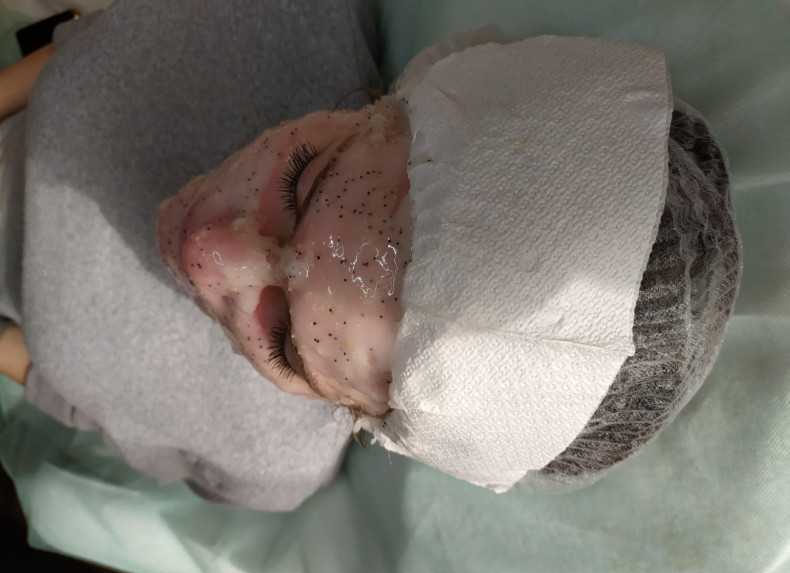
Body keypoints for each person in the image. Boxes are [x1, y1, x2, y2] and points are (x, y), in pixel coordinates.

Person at [0, 1, 740, 505]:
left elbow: (76, 396)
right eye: (303, 181)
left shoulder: (269, 459)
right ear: (397, 98)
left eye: (285, 343)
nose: (205, 253)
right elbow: (88, 51)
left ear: (365, 418)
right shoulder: (277, 15)